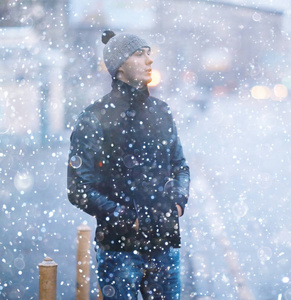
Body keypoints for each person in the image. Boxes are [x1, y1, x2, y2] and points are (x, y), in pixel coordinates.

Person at [67, 30, 190, 300]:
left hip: (164, 246)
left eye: (148, 52)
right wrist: (127, 219)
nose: (149, 60)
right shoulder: (95, 117)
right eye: (139, 54)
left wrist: (178, 202)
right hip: (119, 250)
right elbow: (78, 188)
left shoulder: (161, 111)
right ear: (119, 66)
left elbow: (180, 166)